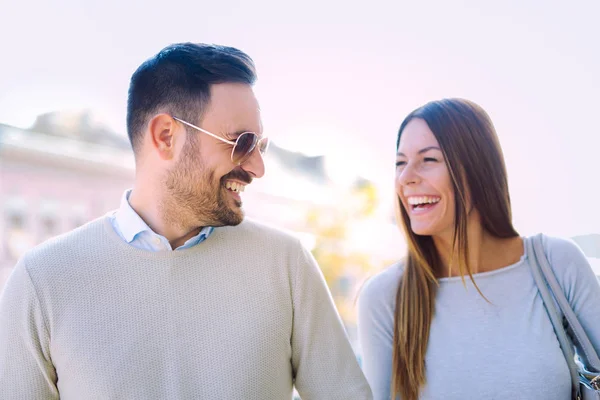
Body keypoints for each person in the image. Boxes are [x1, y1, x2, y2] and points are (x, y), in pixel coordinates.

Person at [0, 42, 372, 400]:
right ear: (166, 136)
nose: (257, 167)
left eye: (260, 146)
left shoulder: (286, 264)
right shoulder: (42, 282)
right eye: (241, 143)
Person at [357, 98, 600, 400]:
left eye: (429, 160)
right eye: (400, 163)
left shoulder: (556, 262)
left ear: (477, 168)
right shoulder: (384, 298)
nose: (406, 178)